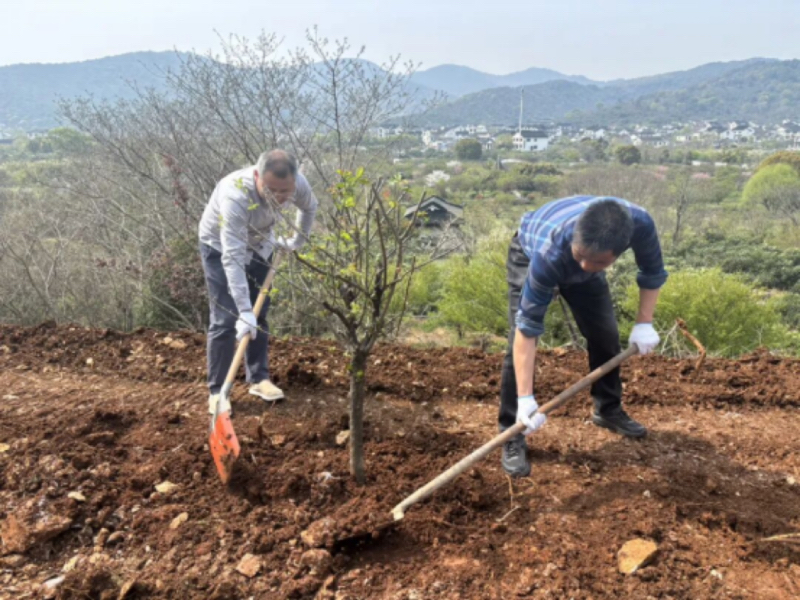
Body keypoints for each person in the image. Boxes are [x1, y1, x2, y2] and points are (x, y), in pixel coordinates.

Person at [499, 195, 668, 477]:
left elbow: (652, 273)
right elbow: (527, 329)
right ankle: (512, 432)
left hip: (583, 252)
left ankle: (608, 409)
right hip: (529, 253)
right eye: (580, 257)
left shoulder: (639, 224)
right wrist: (527, 398)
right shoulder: (549, 254)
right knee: (514, 345)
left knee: (606, 336)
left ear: (619, 249)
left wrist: (644, 323)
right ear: (575, 240)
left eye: (599, 262)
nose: (586, 267)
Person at [198, 149, 318, 414]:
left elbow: (310, 207)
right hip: (220, 248)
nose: (279, 197)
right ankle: (218, 391)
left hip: (262, 243)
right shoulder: (235, 195)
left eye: (284, 191)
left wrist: (297, 241)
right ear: (257, 176)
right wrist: (242, 309)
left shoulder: (297, 183)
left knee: (259, 314)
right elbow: (233, 257)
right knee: (226, 319)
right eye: (271, 190)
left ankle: (258, 378)